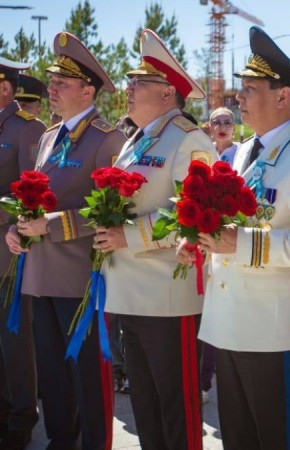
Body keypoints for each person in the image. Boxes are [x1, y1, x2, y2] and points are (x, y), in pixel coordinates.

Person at [180, 26, 290, 449]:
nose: (238, 98)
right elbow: (228, 220)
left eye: (249, 89)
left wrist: (243, 244)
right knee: (238, 439)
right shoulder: (245, 151)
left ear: (283, 96)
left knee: (274, 439)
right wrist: (200, 238)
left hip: (272, 331)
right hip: (227, 322)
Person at [94, 29, 215, 450]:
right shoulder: (137, 138)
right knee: (145, 406)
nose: (128, 89)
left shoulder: (189, 138)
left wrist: (127, 235)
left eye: (138, 82)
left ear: (167, 93)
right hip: (129, 292)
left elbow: (193, 210)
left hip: (167, 295)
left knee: (175, 407)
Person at [5, 32, 126, 450]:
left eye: (61, 83)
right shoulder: (48, 137)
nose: (50, 89)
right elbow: (32, 197)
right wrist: (16, 226)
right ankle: (61, 441)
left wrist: (51, 226)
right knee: (54, 378)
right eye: (51, 82)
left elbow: (110, 212)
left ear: (87, 90)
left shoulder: (108, 139)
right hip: (40, 274)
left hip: (80, 278)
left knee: (86, 379)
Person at [0, 57, 45, 450]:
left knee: (14, 337)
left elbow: (33, 193)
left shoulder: (28, 130)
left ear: (4, 87)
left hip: (9, 248)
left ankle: (21, 415)